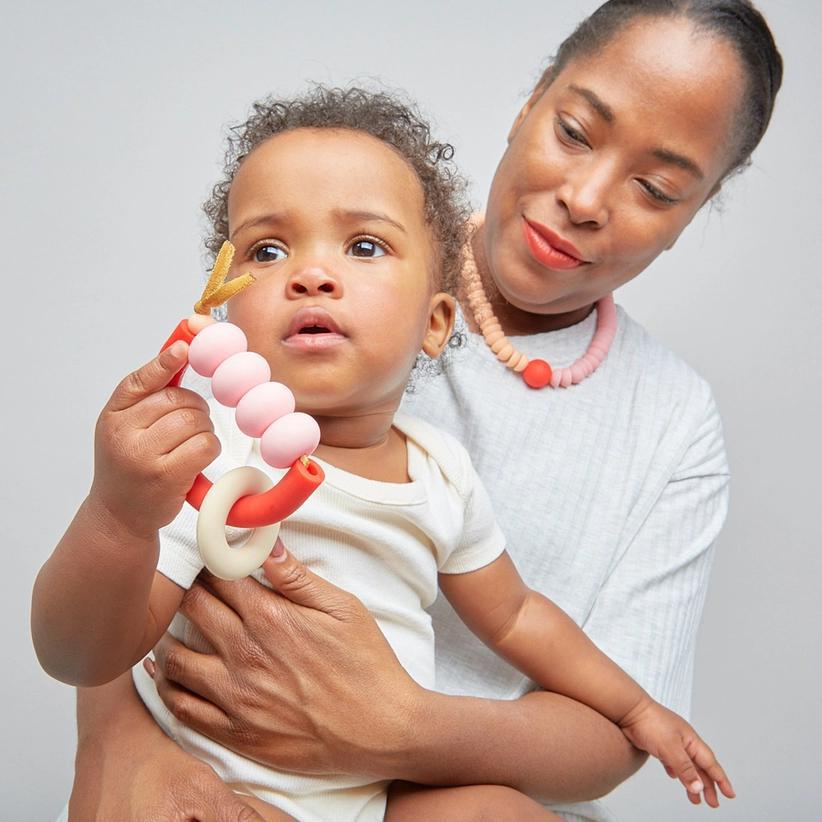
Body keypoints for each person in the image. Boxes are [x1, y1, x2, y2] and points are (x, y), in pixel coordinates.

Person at [60, 2, 783, 820]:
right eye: (576, 131)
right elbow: (120, 584)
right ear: (533, 98)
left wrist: (390, 723)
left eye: (655, 187)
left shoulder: (666, 426)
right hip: (207, 764)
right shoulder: (298, 324)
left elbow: (573, 693)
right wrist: (114, 739)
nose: (585, 197)